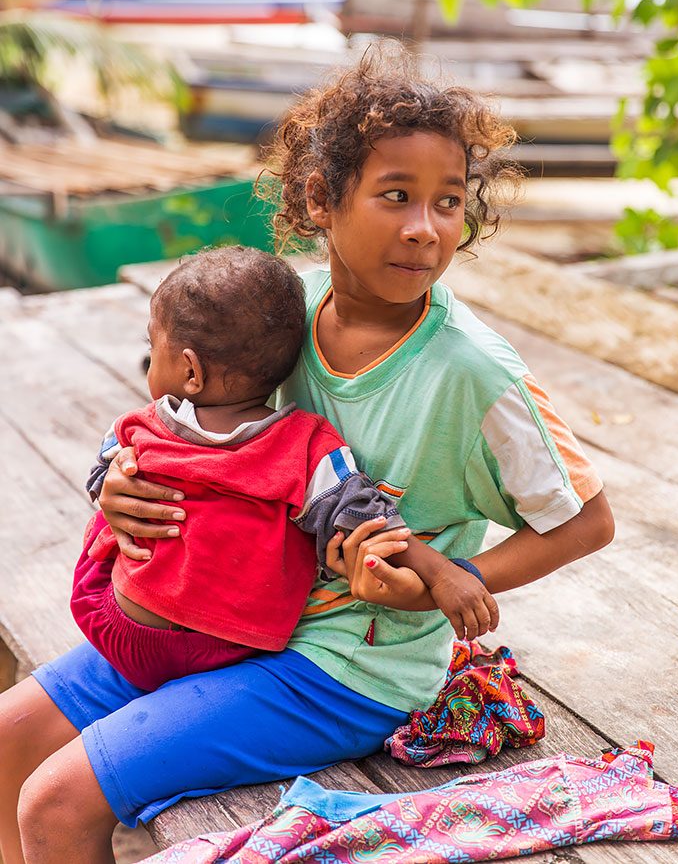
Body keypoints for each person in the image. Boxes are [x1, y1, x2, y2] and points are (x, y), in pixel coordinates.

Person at [0, 51, 614, 864]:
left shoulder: (471, 372)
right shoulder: (283, 318)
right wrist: (115, 484)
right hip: (221, 617)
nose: (424, 228)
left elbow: (588, 522)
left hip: (344, 666)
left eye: (447, 203)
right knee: (9, 743)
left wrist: (442, 588)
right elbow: (184, 416)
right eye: (396, 196)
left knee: (56, 799)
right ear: (322, 200)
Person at [71, 246, 494, 691]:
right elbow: (370, 522)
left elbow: (102, 477)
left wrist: (109, 490)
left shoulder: (141, 427)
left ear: (191, 372)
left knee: (104, 521)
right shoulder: (306, 447)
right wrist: (445, 573)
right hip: (232, 648)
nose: (150, 364)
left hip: (118, 623)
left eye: (153, 350)